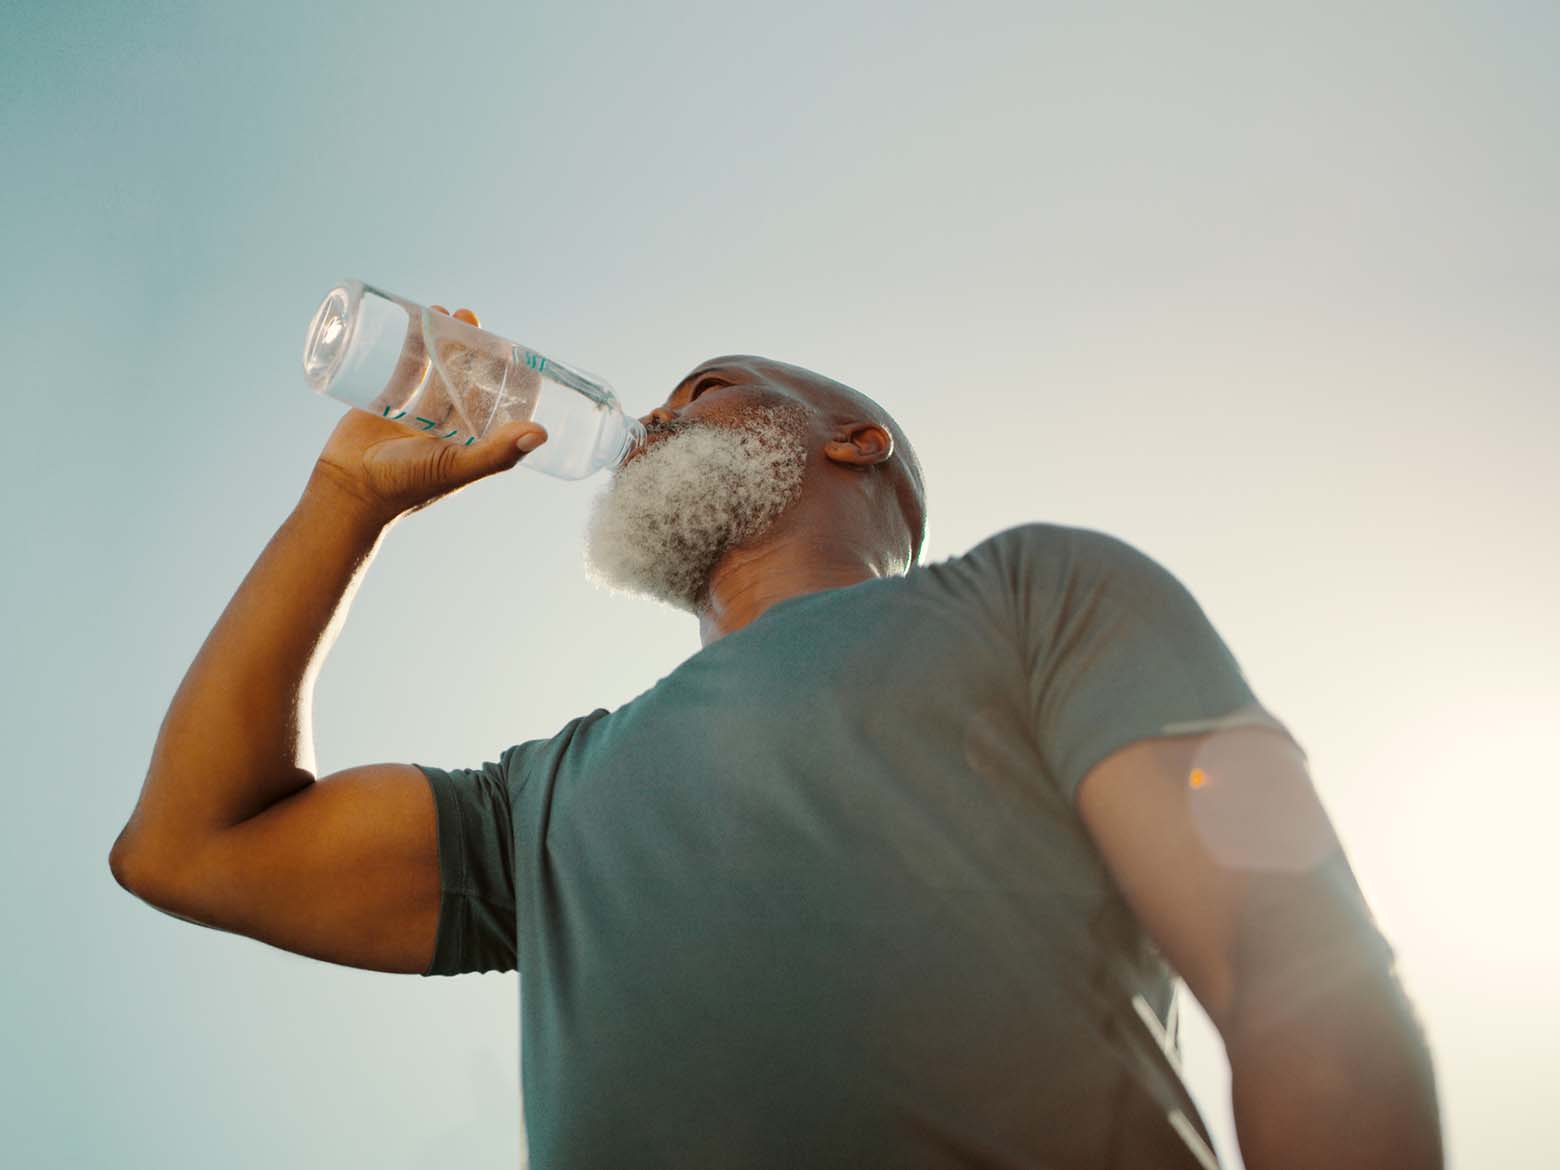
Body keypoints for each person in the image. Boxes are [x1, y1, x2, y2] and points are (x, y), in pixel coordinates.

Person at [110, 306, 1444, 1170]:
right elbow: (192, 845)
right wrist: (345, 498)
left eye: (712, 382)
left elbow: (1290, 968)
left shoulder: (1034, 594)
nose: (662, 407)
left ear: (855, 444)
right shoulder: (542, 798)